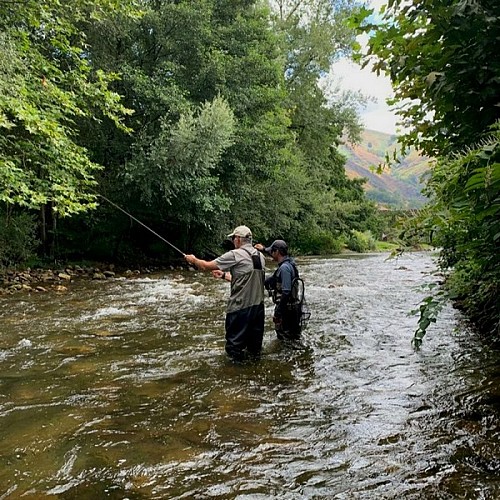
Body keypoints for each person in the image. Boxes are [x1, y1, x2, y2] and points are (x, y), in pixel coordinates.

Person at [184, 225, 266, 361]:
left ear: (238, 239)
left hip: (240, 309)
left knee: (234, 349)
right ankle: (254, 376)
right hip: (258, 310)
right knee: (254, 350)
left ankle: (235, 377)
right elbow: (248, 278)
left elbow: (205, 265)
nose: (233, 241)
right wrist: (223, 276)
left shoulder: (235, 254)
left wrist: (193, 260)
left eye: (233, 238)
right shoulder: (260, 256)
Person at [255, 239, 303, 345]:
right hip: (292, 308)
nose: (271, 254)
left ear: (277, 252)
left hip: (287, 311)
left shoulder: (284, 268)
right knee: (293, 338)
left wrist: (278, 313)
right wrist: (263, 249)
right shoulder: (290, 262)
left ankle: (289, 360)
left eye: (272, 251)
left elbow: (286, 292)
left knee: (286, 339)